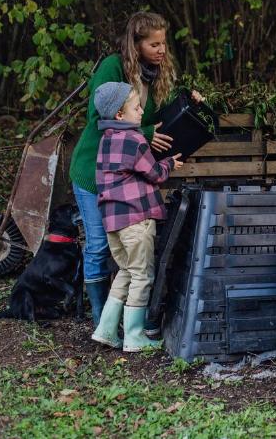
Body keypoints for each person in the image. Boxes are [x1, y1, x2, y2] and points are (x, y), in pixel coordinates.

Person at [69, 11, 200, 328]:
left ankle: (121, 320)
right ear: (136, 43)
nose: (161, 50)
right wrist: (146, 135)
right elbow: (98, 119)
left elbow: (164, 114)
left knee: (128, 255)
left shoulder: (157, 71)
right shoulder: (113, 67)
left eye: (163, 43)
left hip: (126, 178)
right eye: (154, 44)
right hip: (93, 172)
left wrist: (189, 101)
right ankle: (101, 318)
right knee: (99, 246)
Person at [89, 81, 182, 352]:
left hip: (113, 222)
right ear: (120, 114)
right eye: (136, 107)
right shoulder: (133, 139)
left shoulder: (106, 140)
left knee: (125, 272)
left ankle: (106, 329)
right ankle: (134, 335)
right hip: (136, 220)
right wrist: (169, 164)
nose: (142, 111)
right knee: (142, 275)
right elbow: (154, 173)